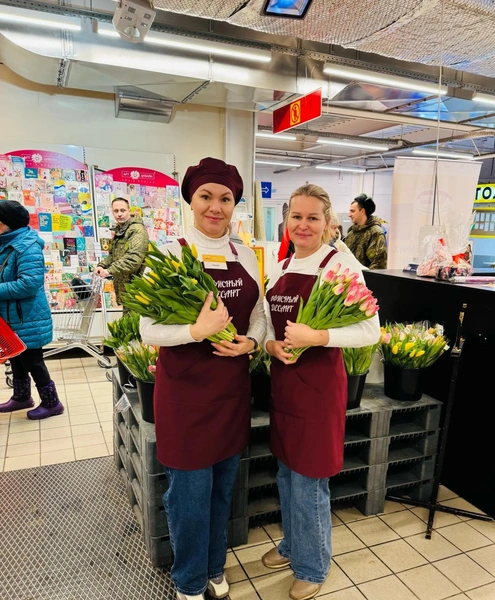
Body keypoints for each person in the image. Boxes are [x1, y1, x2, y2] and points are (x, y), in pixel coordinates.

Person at [139, 158, 266, 600]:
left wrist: (250, 344)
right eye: (206, 197)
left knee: (221, 490)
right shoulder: (171, 252)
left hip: (231, 392)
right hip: (186, 396)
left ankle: (215, 567)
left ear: (236, 204)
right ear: (190, 201)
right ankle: (189, 582)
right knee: (188, 496)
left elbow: (260, 315)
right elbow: (147, 328)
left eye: (226, 198)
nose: (216, 207)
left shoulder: (245, 254)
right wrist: (196, 331)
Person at [262, 184, 380, 600]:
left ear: (329, 224)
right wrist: (270, 345)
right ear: (287, 220)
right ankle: (293, 546)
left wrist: (318, 335)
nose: (304, 224)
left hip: (317, 389)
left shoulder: (340, 264)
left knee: (310, 479)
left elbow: (370, 329)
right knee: (285, 470)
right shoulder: (282, 265)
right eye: (297, 216)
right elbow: (266, 321)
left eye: (313, 217)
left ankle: (313, 565)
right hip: (285, 386)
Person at [0, 201, 63, 419]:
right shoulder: (6, 243)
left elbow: (29, 283)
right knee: (16, 356)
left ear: (7, 223)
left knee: (33, 360)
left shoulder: (27, 246)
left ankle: (52, 403)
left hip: (27, 316)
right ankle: (21, 397)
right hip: (11, 315)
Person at [95, 198, 149, 308]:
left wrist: (109, 270)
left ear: (129, 210)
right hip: (126, 290)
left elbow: (133, 260)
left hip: (138, 291)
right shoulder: (121, 230)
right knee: (128, 323)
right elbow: (113, 256)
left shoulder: (137, 230)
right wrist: (102, 265)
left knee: (134, 323)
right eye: (116, 211)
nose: (119, 214)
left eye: (122, 210)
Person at [345, 193, 387, 269]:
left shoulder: (375, 233)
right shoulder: (351, 232)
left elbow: (379, 264)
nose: (349, 215)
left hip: (366, 279)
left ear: (362, 211)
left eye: (352, 211)